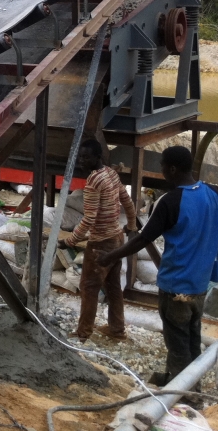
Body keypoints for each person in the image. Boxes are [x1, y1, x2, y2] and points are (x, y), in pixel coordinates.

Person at [96, 146, 218, 385]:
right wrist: (213, 235)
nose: (161, 171)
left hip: (175, 289)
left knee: (178, 345)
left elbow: (142, 239)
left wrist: (109, 257)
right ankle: (178, 380)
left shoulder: (170, 202)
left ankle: (186, 398)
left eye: (162, 166)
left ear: (172, 169)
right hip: (199, 287)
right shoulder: (214, 194)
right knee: (191, 338)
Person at [57, 139, 137, 342]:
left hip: (101, 243)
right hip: (117, 238)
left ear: (97, 157)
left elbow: (89, 218)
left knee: (89, 287)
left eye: (86, 157)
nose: (82, 161)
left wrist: (70, 241)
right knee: (113, 287)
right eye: (80, 157)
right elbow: (126, 200)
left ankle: (83, 333)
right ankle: (117, 330)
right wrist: (131, 225)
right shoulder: (111, 173)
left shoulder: (93, 181)